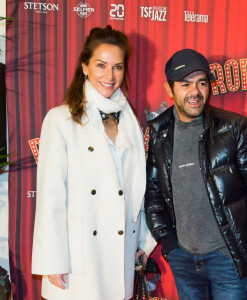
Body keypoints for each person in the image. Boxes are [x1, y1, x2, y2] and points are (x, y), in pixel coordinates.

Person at [144, 48, 247, 300]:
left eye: (201, 83)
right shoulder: (159, 133)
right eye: (185, 84)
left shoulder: (234, 128)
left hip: (226, 257)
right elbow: (153, 194)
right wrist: (168, 241)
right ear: (169, 89)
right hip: (183, 258)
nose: (195, 92)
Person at [32, 25, 156, 300]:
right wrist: (53, 259)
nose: (110, 76)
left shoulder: (130, 121)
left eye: (118, 67)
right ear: (85, 67)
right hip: (79, 257)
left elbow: (139, 189)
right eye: (101, 65)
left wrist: (145, 240)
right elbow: (51, 195)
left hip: (120, 250)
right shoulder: (60, 119)